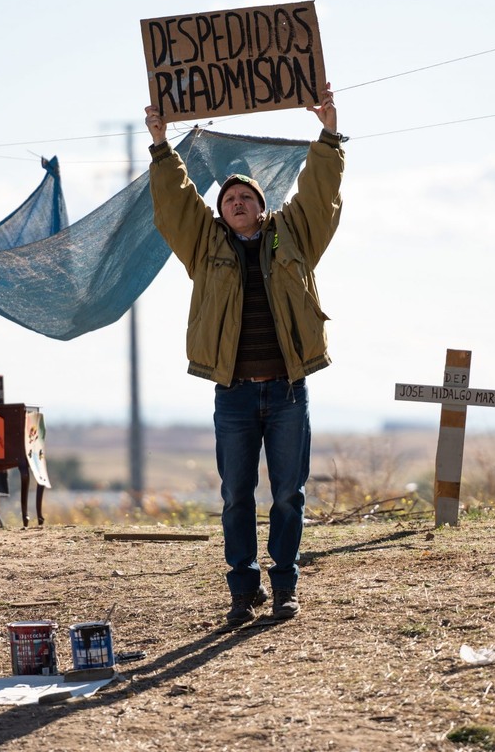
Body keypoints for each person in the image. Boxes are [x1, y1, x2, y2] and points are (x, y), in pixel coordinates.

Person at [145, 84, 344, 625]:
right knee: (236, 497)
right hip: (232, 394)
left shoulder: (295, 236)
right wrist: (162, 146)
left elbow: (320, 193)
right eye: (229, 198)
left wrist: (327, 134)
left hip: (287, 393)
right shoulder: (203, 246)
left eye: (247, 197)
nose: (237, 203)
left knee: (287, 496)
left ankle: (284, 588)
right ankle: (242, 592)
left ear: (262, 207)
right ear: (221, 211)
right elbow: (175, 205)